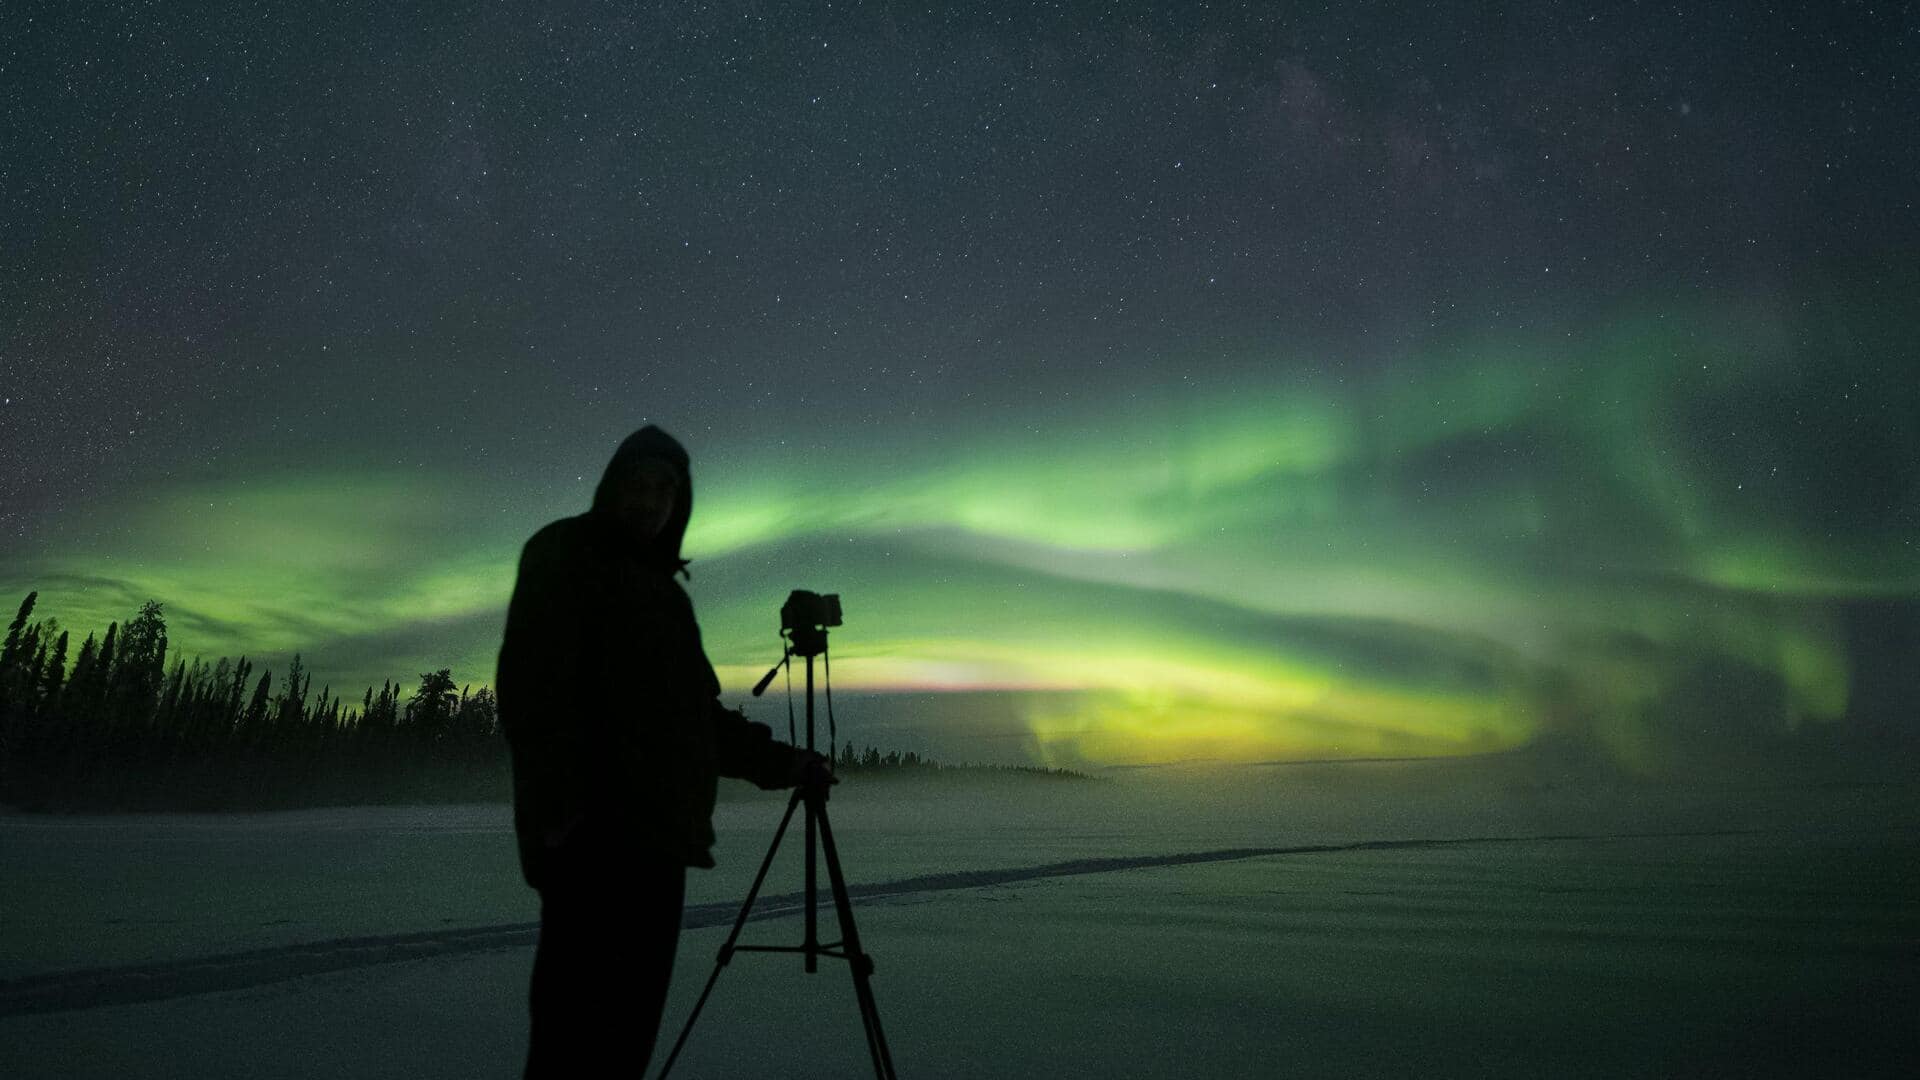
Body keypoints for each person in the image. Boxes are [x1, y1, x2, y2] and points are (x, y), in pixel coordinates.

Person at [496, 424, 828, 1078]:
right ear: (611, 487)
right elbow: (533, 689)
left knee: (623, 1047)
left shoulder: (667, 595)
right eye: (638, 486)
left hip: (659, 847)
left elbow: (693, 720)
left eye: (665, 492)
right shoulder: (564, 553)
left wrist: (783, 762)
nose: (650, 503)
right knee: (572, 1045)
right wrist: (561, 818)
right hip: (592, 848)